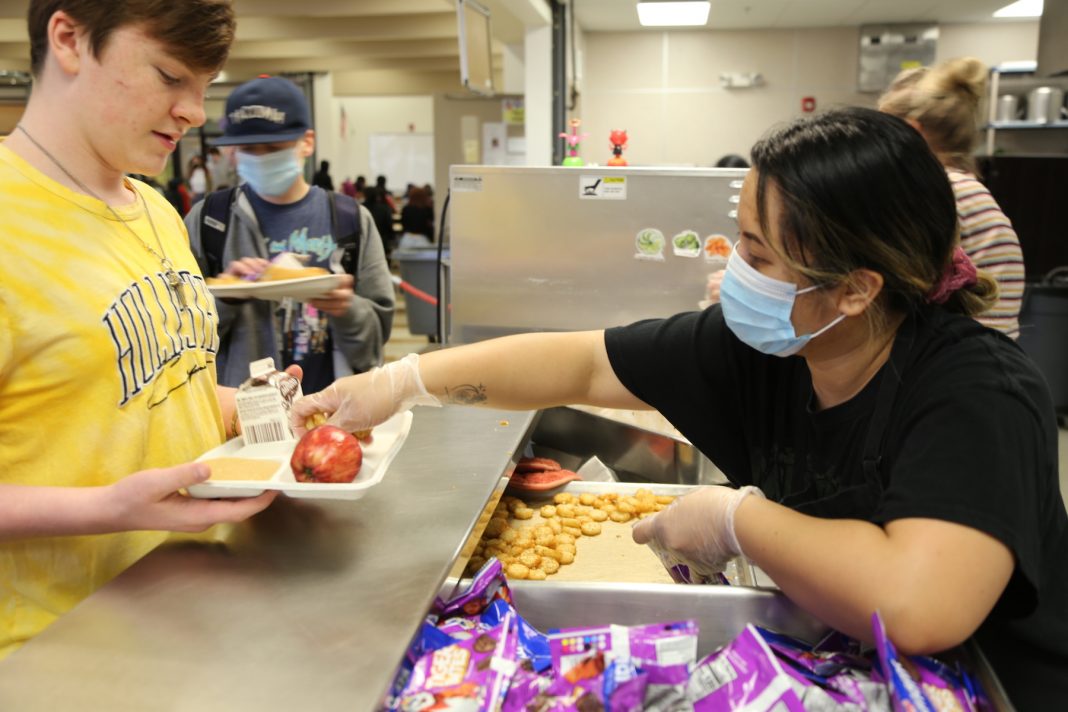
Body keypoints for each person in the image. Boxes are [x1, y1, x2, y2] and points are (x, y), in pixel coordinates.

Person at [291, 108, 1067, 707]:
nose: (733, 269)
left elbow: (922, 606)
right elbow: (583, 362)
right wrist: (403, 382)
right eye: (739, 240)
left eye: (760, 255)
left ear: (858, 288)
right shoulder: (768, 349)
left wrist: (736, 521)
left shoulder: (974, 392)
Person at [0, 0, 279, 660]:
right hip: (55, 655)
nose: (193, 112)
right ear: (69, 39)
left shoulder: (154, 211)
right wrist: (105, 508)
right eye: (167, 76)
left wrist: (263, 409)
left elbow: (150, 390)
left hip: (190, 619)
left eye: (203, 88)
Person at [186, 76, 395, 394]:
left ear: (306, 142)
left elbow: (373, 342)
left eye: (273, 148)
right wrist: (225, 297)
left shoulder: (350, 220)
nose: (260, 158)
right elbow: (179, 339)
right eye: (248, 149)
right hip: (242, 417)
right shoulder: (210, 220)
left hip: (331, 411)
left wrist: (346, 308)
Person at [879, 57, 1025, 339]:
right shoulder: (965, 187)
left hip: (968, 356)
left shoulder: (939, 194)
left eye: (883, 135)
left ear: (912, 133)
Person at [363, 185, 397, 260]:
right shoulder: (385, 209)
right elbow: (389, 226)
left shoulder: (360, 209)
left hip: (364, 243)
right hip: (382, 241)